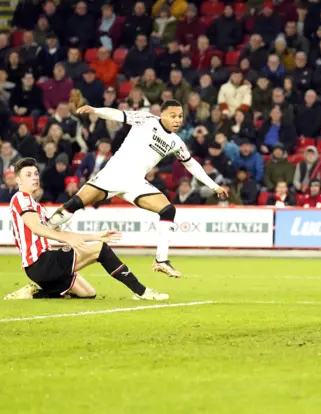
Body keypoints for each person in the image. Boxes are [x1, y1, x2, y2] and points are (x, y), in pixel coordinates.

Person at [47, 100, 228, 279]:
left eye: (180, 116)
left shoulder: (176, 142)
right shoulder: (146, 120)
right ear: (162, 114)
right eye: (173, 116)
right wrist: (95, 109)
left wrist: (214, 186)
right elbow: (117, 115)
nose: (177, 120)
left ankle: (161, 260)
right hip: (112, 175)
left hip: (135, 183)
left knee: (167, 210)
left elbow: (192, 165)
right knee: (74, 204)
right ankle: (45, 229)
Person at [4, 158, 167, 301]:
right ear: (18, 180)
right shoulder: (20, 198)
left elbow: (58, 233)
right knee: (101, 250)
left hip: (41, 267)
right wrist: (67, 239)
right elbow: (36, 228)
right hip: (41, 262)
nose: (34, 178)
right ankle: (142, 291)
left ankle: (34, 293)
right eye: (28, 175)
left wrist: (95, 236)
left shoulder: (37, 206)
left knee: (88, 293)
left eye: (35, 174)